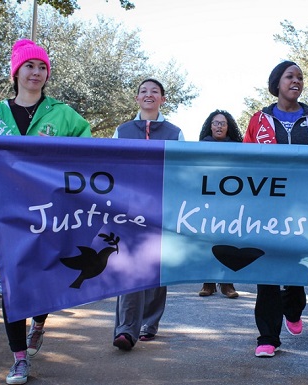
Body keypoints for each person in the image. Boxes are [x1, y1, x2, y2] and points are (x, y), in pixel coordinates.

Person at [0, 39, 91, 385]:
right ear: (16, 72)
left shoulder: (63, 114)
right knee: (12, 285)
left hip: (50, 212)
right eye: (30, 66)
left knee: (44, 277)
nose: (36, 72)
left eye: (42, 67)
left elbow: (88, 150)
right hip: (5, 213)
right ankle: (19, 358)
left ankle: (39, 323)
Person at [243, 60, 308, 357]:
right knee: (266, 267)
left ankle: (293, 309)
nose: (295, 81)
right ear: (277, 83)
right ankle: (267, 337)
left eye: (299, 77)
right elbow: (245, 158)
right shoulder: (259, 119)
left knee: (297, 269)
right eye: (289, 76)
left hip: (303, 206)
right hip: (266, 207)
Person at [111, 78, 183, 351]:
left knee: (155, 270)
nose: (148, 94)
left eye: (155, 91)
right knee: (130, 268)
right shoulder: (122, 130)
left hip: (161, 210)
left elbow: (181, 173)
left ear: (163, 99)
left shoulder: (175, 133)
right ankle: (126, 330)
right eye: (143, 91)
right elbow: (111, 167)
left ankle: (149, 323)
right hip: (128, 210)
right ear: (137, 99)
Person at [197, 109, 243, 298]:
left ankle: (227, 284)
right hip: (207, 200)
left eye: (222, 123)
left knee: (228, 239)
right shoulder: (200, 147)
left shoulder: (239, 148)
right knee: (208, 239)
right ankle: (208, 283)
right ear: (210, 126)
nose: (219, 126)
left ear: (228, 127)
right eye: (215, 123)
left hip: (231, 200)